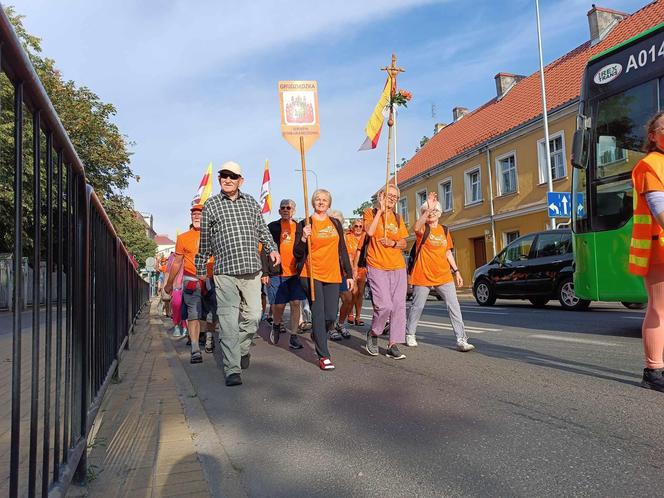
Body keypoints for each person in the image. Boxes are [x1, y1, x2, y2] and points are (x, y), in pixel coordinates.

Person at [195, 161, 280, 387]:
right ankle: (232, 368)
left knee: (254, 316)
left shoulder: (251, 202)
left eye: (233, 176)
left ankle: (242, 349)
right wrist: (201, 269)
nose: (228, 179)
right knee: (229, 322)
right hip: (225, 273)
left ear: (240, 180)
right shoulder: (211, 205)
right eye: (224, 175)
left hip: (251, 270)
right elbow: (204, 242)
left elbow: (263, 230)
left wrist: (272, 249)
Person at [405, 192, 475, 352]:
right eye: (429, 212)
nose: (432, 214)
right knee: (417, 306)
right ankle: (410, 333)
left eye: (435, 211)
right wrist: (427, 209)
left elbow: (447, 252)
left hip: (443, 275)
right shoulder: (423, 228)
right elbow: (415, 228)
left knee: (454, 306)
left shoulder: (444, 230)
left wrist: (456, 271)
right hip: (423, 274)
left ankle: (461, 339)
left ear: (440, 213)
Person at [294, 189, 353, 370]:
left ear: (329, 203)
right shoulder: (305, 222)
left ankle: (317, 333)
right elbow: (297, 253)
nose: (321, 202)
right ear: (313, 202)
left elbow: (342, 249)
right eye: (318, 199)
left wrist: (349, 274)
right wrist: (304, 237)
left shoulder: (334, 223)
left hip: (333, 273)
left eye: (325, 200)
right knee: (318, 312)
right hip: (310, 274)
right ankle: (324, 355)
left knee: (330, 315)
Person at [628, 111, 664, 393]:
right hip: (658, 249)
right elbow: (660, 211)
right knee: (659, 309)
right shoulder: (649, 165)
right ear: (652, 136)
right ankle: (653, 371)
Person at [363, 184, 409, 360]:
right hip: (377, 265)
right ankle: (374, 332)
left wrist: (394, 243)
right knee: (384, 305)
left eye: (395, 197)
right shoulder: (370, 213)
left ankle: (393, 344)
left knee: (398, 306)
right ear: (381, 196)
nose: (392, 199)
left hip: (397, 266)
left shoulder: (398, 218)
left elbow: (404, 242)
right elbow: (370, 232)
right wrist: (381, 212)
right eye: (389, 195)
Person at [164, 205, 207, 363]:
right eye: (194, 215)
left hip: (212, 280)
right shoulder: (183, 237)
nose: (196, 217)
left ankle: (208, 337)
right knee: (193, 315)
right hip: (192, 281)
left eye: (200, 214)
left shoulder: (215, 235)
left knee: (211, 315)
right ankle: (195, 348)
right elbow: (177, 262)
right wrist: (169, 283)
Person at [265, 199, 306, 350]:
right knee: (279, 305)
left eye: (288, 208)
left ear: (294, 210)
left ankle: (293, 336)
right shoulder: (272, 227)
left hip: (295, 272)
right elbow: (265, 250)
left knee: (296, 303)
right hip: (277, 272)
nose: (285, 210)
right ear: (279, 211)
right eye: (282, 208)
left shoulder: (300, 226)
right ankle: (276, 324)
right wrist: (264, 272)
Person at [328, 209, 352, 340]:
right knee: (332, 303)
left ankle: (340, 323)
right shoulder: (327, 233)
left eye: (339, 221)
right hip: (329, 271)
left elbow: (346, 254)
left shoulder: (344, 235)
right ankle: (331, 328)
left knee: (348, 299)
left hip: (341, 271)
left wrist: (350, 273)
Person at [345, 219, 366, 326]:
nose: (358, 228)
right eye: (356, 226)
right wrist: (352, 269)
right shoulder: (348, 237)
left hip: (363, 268)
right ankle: (350, 314)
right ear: (352, 227)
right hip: (351, 267)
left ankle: (358, 316)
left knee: (360, 293)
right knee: (353, 292)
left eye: (360, 226)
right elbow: (348, 255)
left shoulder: (365, 237)